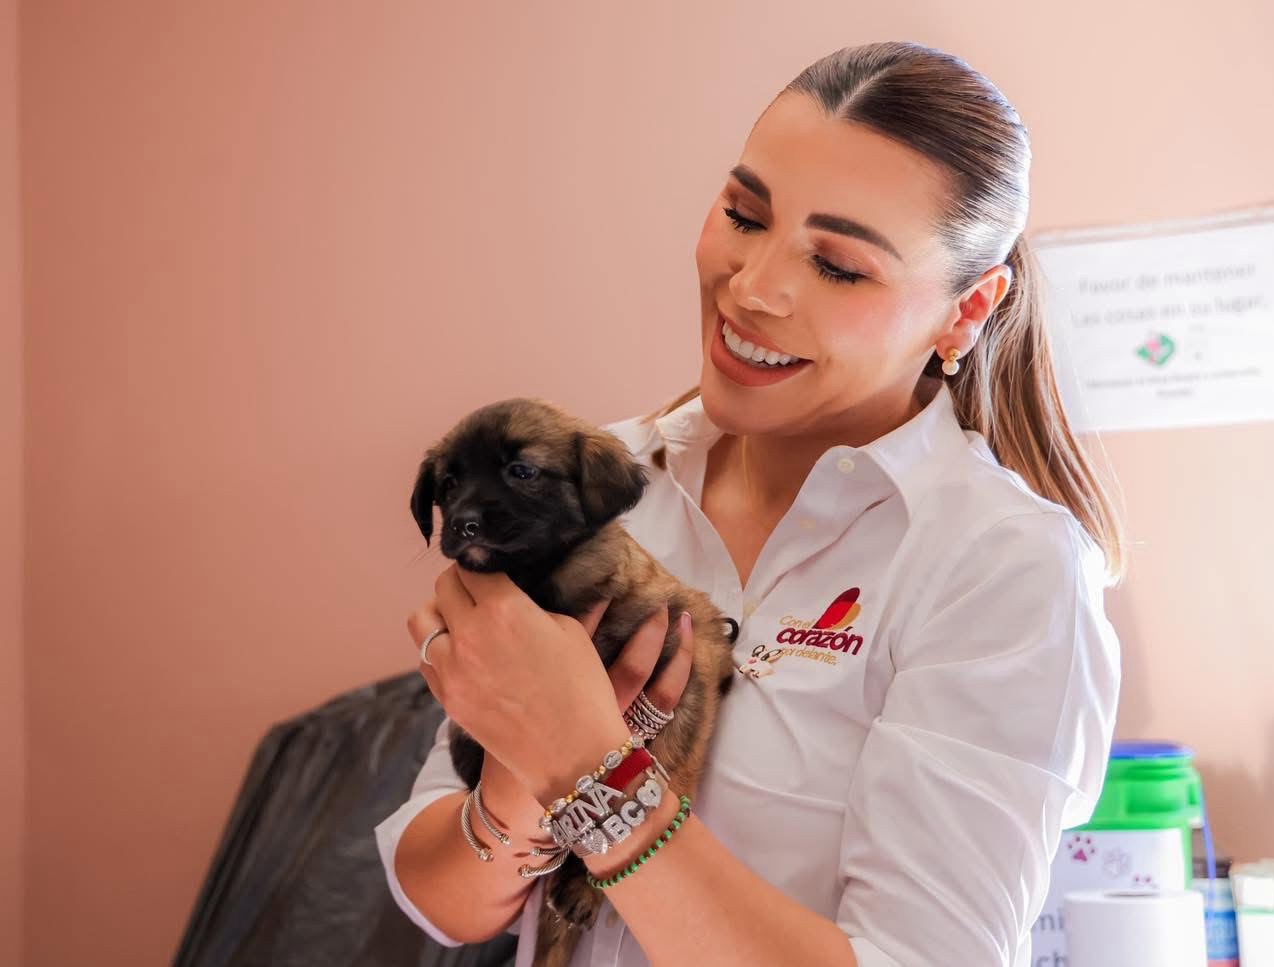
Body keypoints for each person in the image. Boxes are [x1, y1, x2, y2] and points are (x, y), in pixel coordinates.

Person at [374, 40, 1124, 967]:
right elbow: (441, 897)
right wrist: (513, 783)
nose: (754, 287)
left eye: (838, 266)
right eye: (743, 214)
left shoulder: (1000, 565)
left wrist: (588, 765)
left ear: (965, 312)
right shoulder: (594, 485)